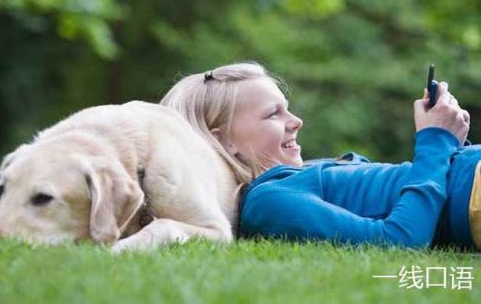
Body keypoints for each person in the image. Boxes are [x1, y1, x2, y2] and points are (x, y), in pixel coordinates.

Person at [160, 62, 481, 250]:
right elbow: (399, 240)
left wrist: (452, 142)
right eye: (273, 114)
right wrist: (435, 139)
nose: (296, 121)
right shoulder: (269, 200)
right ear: (225, 141)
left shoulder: (297, 177)